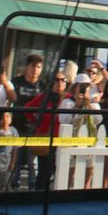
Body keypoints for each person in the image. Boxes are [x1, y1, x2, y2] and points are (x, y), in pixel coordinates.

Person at [24, 73, 69, 191]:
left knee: (59, 170)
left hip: (62, 139)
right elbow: (27, 108)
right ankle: (39, 194)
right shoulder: (44, 97)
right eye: (56, 80)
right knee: (44, 171)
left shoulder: (69, 98)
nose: (59, 82)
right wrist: (36, 122)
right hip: (44, 138)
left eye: (63, 80)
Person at [9, 54, 45, 190]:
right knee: (16, 159)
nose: (35, 70)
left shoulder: (43, 85)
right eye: (33, 66)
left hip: (34, 128)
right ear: (27, 67)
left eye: (38, 67)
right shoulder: (16, 82)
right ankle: (12, 183)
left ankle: (32, 185)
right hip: (17, 125)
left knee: (31, 161)